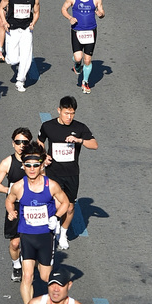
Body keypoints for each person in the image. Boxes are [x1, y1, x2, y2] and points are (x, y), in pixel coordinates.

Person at [5, 142, 70, 304]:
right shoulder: (19, 186)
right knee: (27, 276)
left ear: (41, 166)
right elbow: (9, 200)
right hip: (26, 235)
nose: (32, 169)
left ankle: (57, 299)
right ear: (23, 166)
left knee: (44, 277)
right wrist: (11, 211)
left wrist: (56, 217)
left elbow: (65, 202)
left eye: (35, 165)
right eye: (28, 165)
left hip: (45, 237)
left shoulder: (51, 185)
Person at [39, 95, 98, 250]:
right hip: (53, 173)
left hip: (72, 174)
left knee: (70, 207)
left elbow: (94, 145)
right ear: (59, 110)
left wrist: (79, 140)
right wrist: (43, 156)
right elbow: (40, 141)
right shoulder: (48, 126)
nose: (69, 117)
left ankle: (63, 234)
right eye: (66, 113)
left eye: (72, 114)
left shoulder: (80, 128)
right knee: (57, 204)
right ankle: (54, 224)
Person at [0, 128, 32, 281]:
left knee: (30, 241)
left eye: (25, 142)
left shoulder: (34, 162)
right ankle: (16, 265)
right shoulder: (7, 162)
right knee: (15, 244)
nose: (21, 145)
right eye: (18, 142)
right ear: (13, 143)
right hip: (14, 206)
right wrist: (12, 190)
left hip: (33, 206)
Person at [61, 0, 106, 93]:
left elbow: (102, 12)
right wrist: (70, 18)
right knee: (78, 57)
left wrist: (100, 14)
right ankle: (76, 64)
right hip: (77, 30)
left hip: (91, 31)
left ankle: (85, 82)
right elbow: (64, 9)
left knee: (87, 60)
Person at [0, 0, 39, 92]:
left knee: (26, 56)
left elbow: (37, 12)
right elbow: (1, 8)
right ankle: (11, 59)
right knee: (12, 59)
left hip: (26, 29)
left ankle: (20, 80)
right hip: (12, 29)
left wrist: (33, 23)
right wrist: (4, 22)